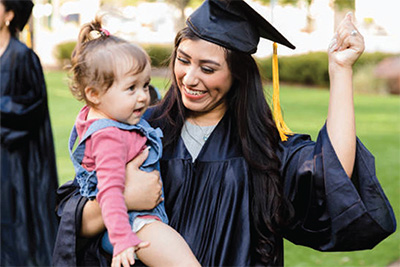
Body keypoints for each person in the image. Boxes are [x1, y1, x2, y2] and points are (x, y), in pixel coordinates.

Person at [52, 0, 396, 266]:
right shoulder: (143, 130)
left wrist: (340, 71)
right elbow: (71, 219)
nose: (189, 77)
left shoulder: (262, 147)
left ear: (237, 75)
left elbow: (331, 172)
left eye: (208, 68)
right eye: (183, 60)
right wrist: (124, 197)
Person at [59, 17, 199, 267]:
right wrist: (123, 238)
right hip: (135, 224)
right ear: (94, 94)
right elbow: (111, 192)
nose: (144, 97)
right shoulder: (109, 137)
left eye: (145, 85)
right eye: (131, 88)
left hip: (135, 221)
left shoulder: (104, 117)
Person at [0, 0, 59, 265]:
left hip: (16, 163)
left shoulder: (23, 57)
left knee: (16, 226)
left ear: (10, 15)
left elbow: (31, 110)